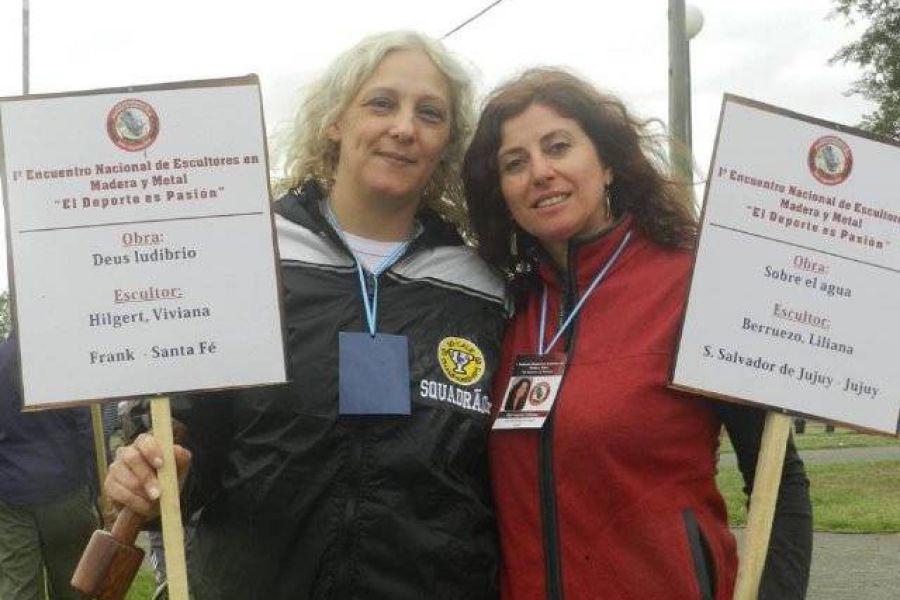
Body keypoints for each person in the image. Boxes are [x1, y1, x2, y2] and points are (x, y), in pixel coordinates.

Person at [105, 31, 506, 599]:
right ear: (335, 121)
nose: (404, 128)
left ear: (447, 143)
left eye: (430, 114)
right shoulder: (247, 253)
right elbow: (186, 429)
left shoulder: (481, 290)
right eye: (381, 103)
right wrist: (149, 466)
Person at [463, 68, 812, 599]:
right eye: (515, 164)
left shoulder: (693, 284)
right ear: (503, 193)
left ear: (606, 163)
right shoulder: (503, 307)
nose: (540, 172)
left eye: (558, 147)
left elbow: (777, 479)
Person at [0, 335, 99, 600]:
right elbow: (85, 429)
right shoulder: (60, 360)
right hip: (65, 488)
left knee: (19, 588)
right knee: (75, 585)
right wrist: (98, 487)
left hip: (11, 494)